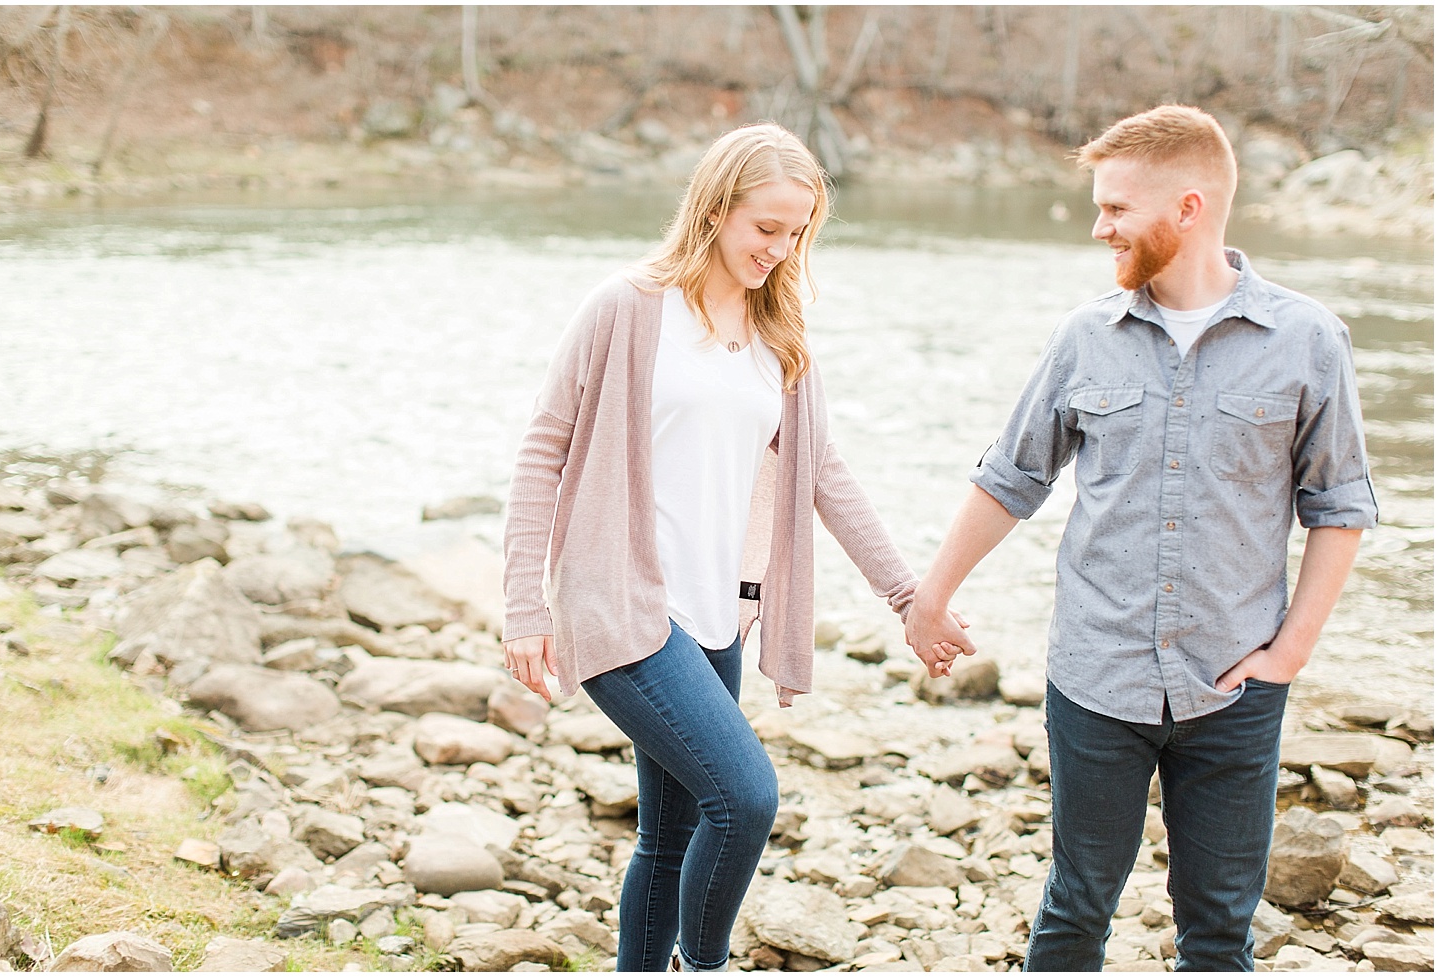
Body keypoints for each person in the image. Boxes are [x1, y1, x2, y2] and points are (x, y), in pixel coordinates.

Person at [906, 105, 1377, 971]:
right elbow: (1012, 477)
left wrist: (1288, 655)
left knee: (1219, 929)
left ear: (1189, 208)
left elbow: (1339, 507)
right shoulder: (1085, 338)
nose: (1099, 227)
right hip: (1096, 678)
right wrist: (931, 596)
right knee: (1076, 908)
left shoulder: (1309, 340)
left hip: (1234, 688)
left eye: (1117, 208)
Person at [502, 121, 958, 973]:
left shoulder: (780, 339)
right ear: (715, 210)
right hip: (623, 601)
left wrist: (909, 596)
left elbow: (826, 477)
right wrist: (526, 604)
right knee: (746, 798)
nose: (781, 251)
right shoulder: (628, 309)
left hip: (719, 619)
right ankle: (704, 965)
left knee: (667, 837)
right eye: (766, 229)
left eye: (798, 234)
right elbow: (542, 450)